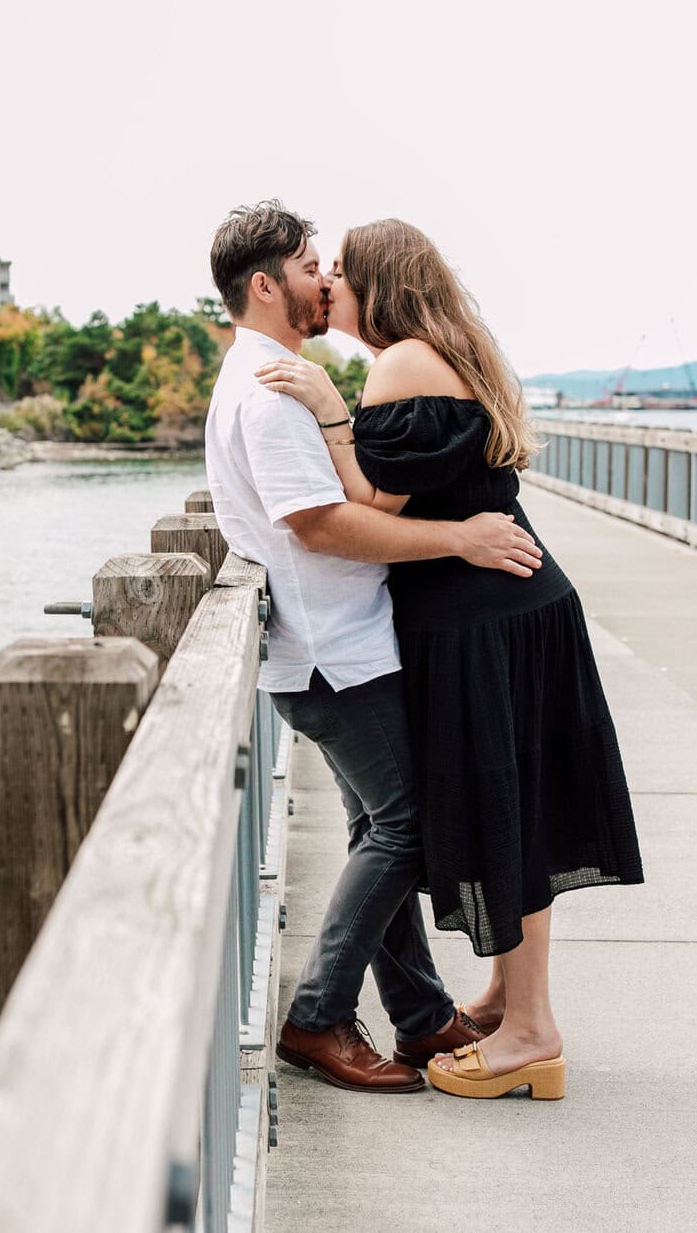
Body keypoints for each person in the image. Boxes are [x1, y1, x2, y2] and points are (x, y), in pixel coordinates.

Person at [256, 218, 645, 1101]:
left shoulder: (398, 364)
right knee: (515, 802)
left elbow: (372, 498)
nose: (328, 288)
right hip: (509, 610)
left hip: (480, 619)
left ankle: (533, 1029)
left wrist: (325, 408)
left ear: (379, 283)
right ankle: (512, 1003)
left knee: (505, 807)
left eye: (341, 273)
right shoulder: (446, 349)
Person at [202, 201, 545, 1094]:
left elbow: (351, 495)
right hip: (333, 649)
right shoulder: (274, 388)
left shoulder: (268, 374)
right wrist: (461, 540)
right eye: (313, 266)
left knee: (377, 827)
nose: (326, 279)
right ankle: (317, 1017)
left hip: (331, 644)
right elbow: (321, 525)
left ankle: (424, 1018)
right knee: (406, 827)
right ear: (268, 285)